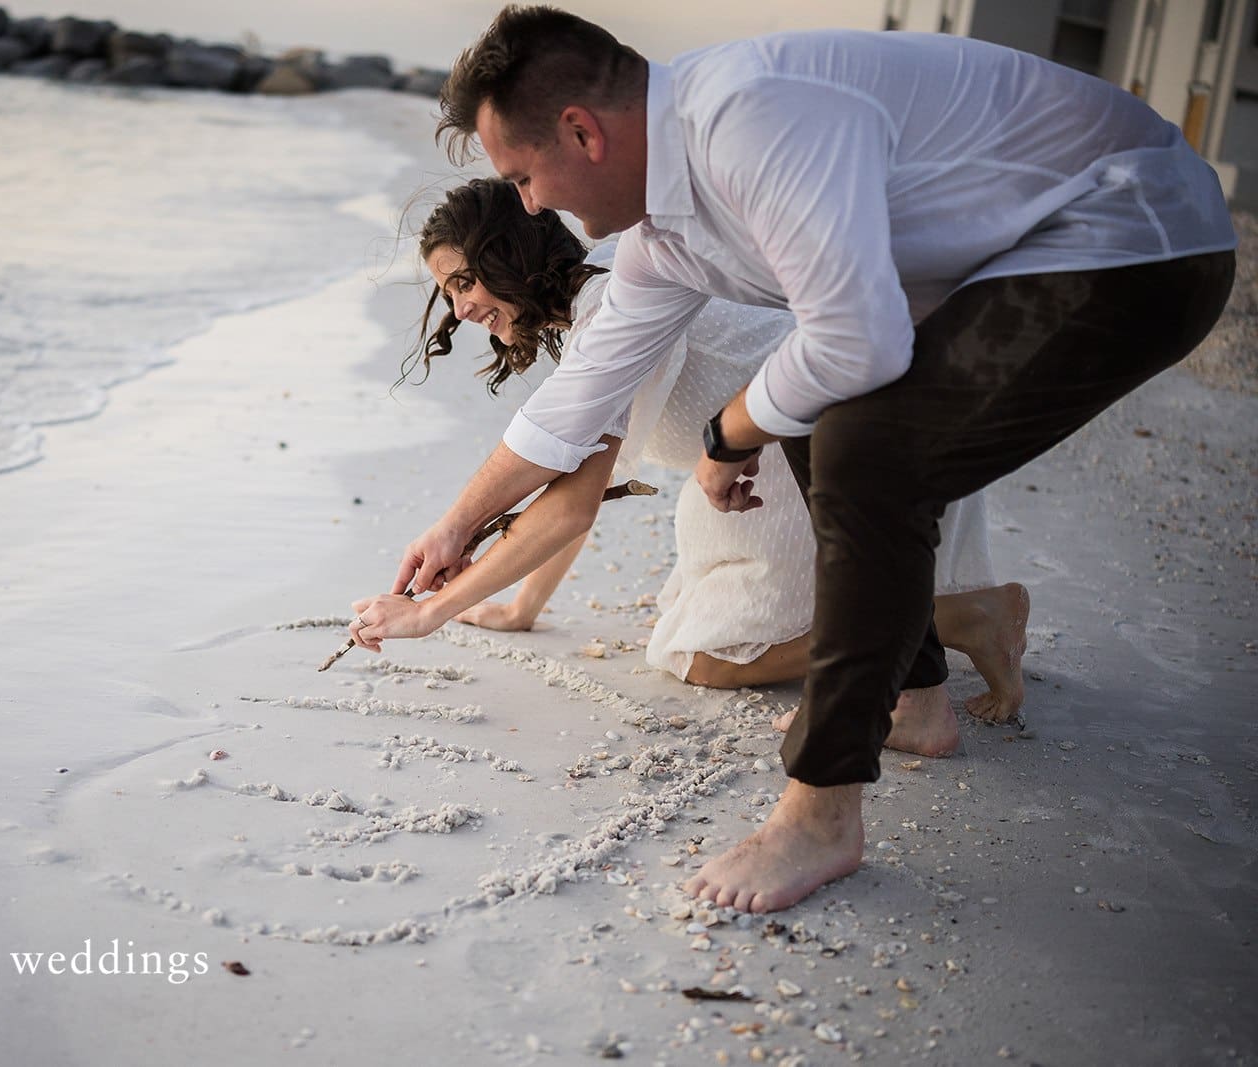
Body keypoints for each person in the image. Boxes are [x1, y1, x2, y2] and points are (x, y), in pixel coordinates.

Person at [352, 7, 1236, 913]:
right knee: (822, 416)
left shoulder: (747, 116)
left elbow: (857, 342)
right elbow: (567, 415)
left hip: (1134, 226)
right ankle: (918, 700)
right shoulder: (665, 237)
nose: (531, 204)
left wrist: (728, 435)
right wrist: (455, 526)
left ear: (582, 130)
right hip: (1018, 263)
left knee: (859, 442)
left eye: (524, 176)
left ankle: (820, 812)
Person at [374, 176, 1028, 727]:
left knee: (704, 658)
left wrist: (432, 611)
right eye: (449, 294)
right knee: (695, 611)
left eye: (465, 283)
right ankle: (927, 620)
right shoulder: (603, 293)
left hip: (822, 452)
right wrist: (523, 607)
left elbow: (572, 504)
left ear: (508, 252)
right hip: (816, 438)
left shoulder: (613, 312)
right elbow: (577, 479)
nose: (460, 310)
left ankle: (956, 616)